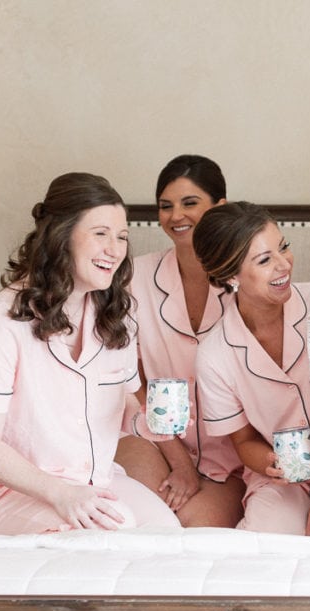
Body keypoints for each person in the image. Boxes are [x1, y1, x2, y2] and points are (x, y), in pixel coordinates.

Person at [0, 172, 181, 536]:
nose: (115, 249)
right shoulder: (2, 321)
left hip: (94, 482)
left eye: (122, 236)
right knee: (103, 538)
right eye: (100, 234)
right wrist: (59, 493)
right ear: (61, 236)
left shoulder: (117, 317)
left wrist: (147, 422)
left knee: (166, 535)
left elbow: (120, 407)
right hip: (9, 493)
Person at [193, 201, 310, 535]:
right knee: (261, 543)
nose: (284, 264)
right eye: (264, 260)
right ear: (231, 275)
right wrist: (270, 464)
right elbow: (244, 439)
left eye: (283, 247)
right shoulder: (214, 354)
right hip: (287, 482)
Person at [115, 155, 246, 527]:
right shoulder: (134, 277)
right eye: (165, 206)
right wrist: (180, 463)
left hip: (230, 455)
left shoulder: (248, 279)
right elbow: (131, 378)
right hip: (153, 438)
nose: (176, 216)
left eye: (190, 203)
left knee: (195, 534)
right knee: (143, 525)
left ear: (219, 208)